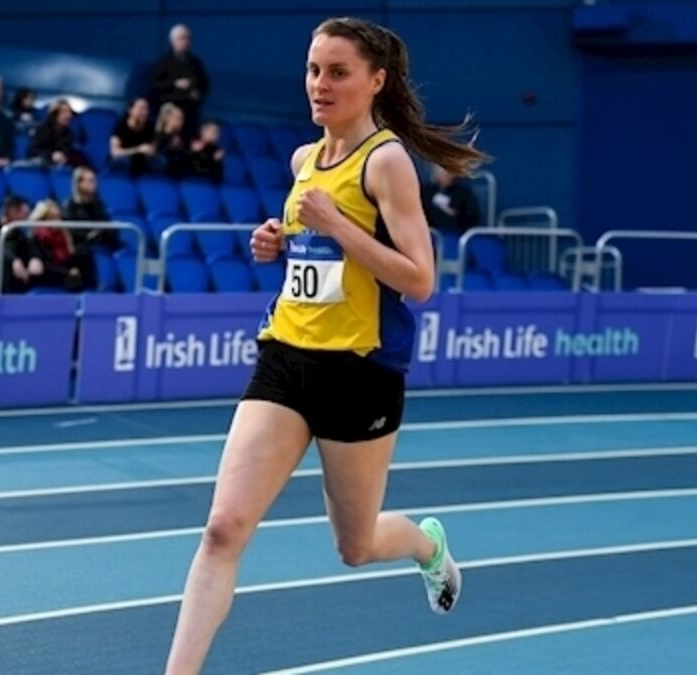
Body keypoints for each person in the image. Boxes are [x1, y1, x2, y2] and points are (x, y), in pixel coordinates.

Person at [163, 17, 486, 674]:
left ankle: (425, 546)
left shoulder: (387, 162)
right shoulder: (303, 160)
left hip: (359, 372)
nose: (320, 84)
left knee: (355, 545)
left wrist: (337, 225)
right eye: (314, 70)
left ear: (376, 81)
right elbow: (316, 257)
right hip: (286, 357)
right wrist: (277, 242)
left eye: (338, 72)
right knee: (223, 528)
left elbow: (419, 279)